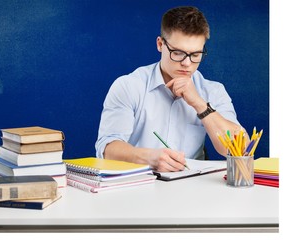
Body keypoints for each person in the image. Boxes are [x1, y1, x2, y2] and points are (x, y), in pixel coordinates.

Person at [95, 6, 246, 172]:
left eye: (196, 55)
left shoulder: (213, 91)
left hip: (192, 188)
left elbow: (238, 148)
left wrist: (200, 104)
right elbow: (107, 149)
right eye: (178, 52)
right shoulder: (129, 86)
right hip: (138, 186)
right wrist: (149, 158)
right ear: (160, 44)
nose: (187, 63)